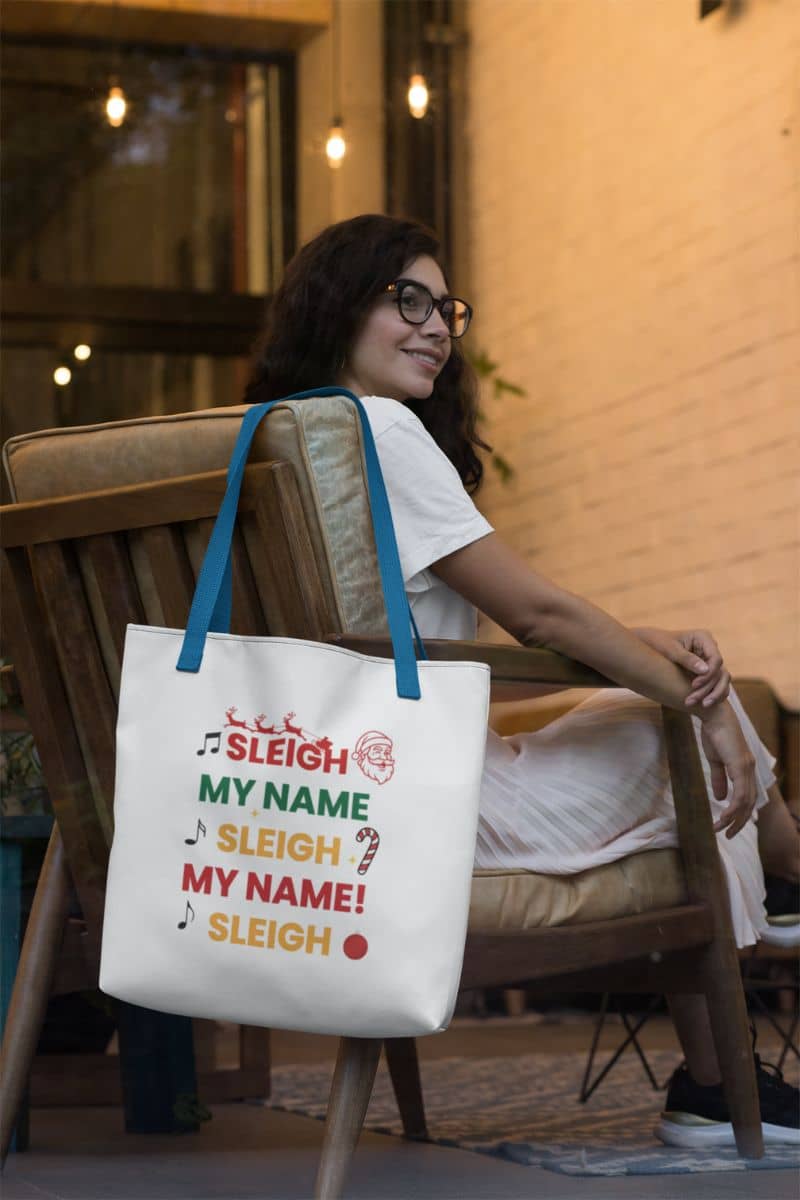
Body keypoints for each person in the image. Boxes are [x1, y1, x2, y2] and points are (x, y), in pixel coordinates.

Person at [246, 213, 799, 1147]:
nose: (436, 328)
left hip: (316, 782)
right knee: (695, 724)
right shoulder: (376, 428)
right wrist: (693, 700)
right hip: (417, 797)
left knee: (657, 703)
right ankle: (758, 961)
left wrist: (640, 655)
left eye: (445, 309)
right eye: (406, 300)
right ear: (338, 306)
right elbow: (537, 617)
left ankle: (742, 1007)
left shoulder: (273, 440)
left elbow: (440, 658)